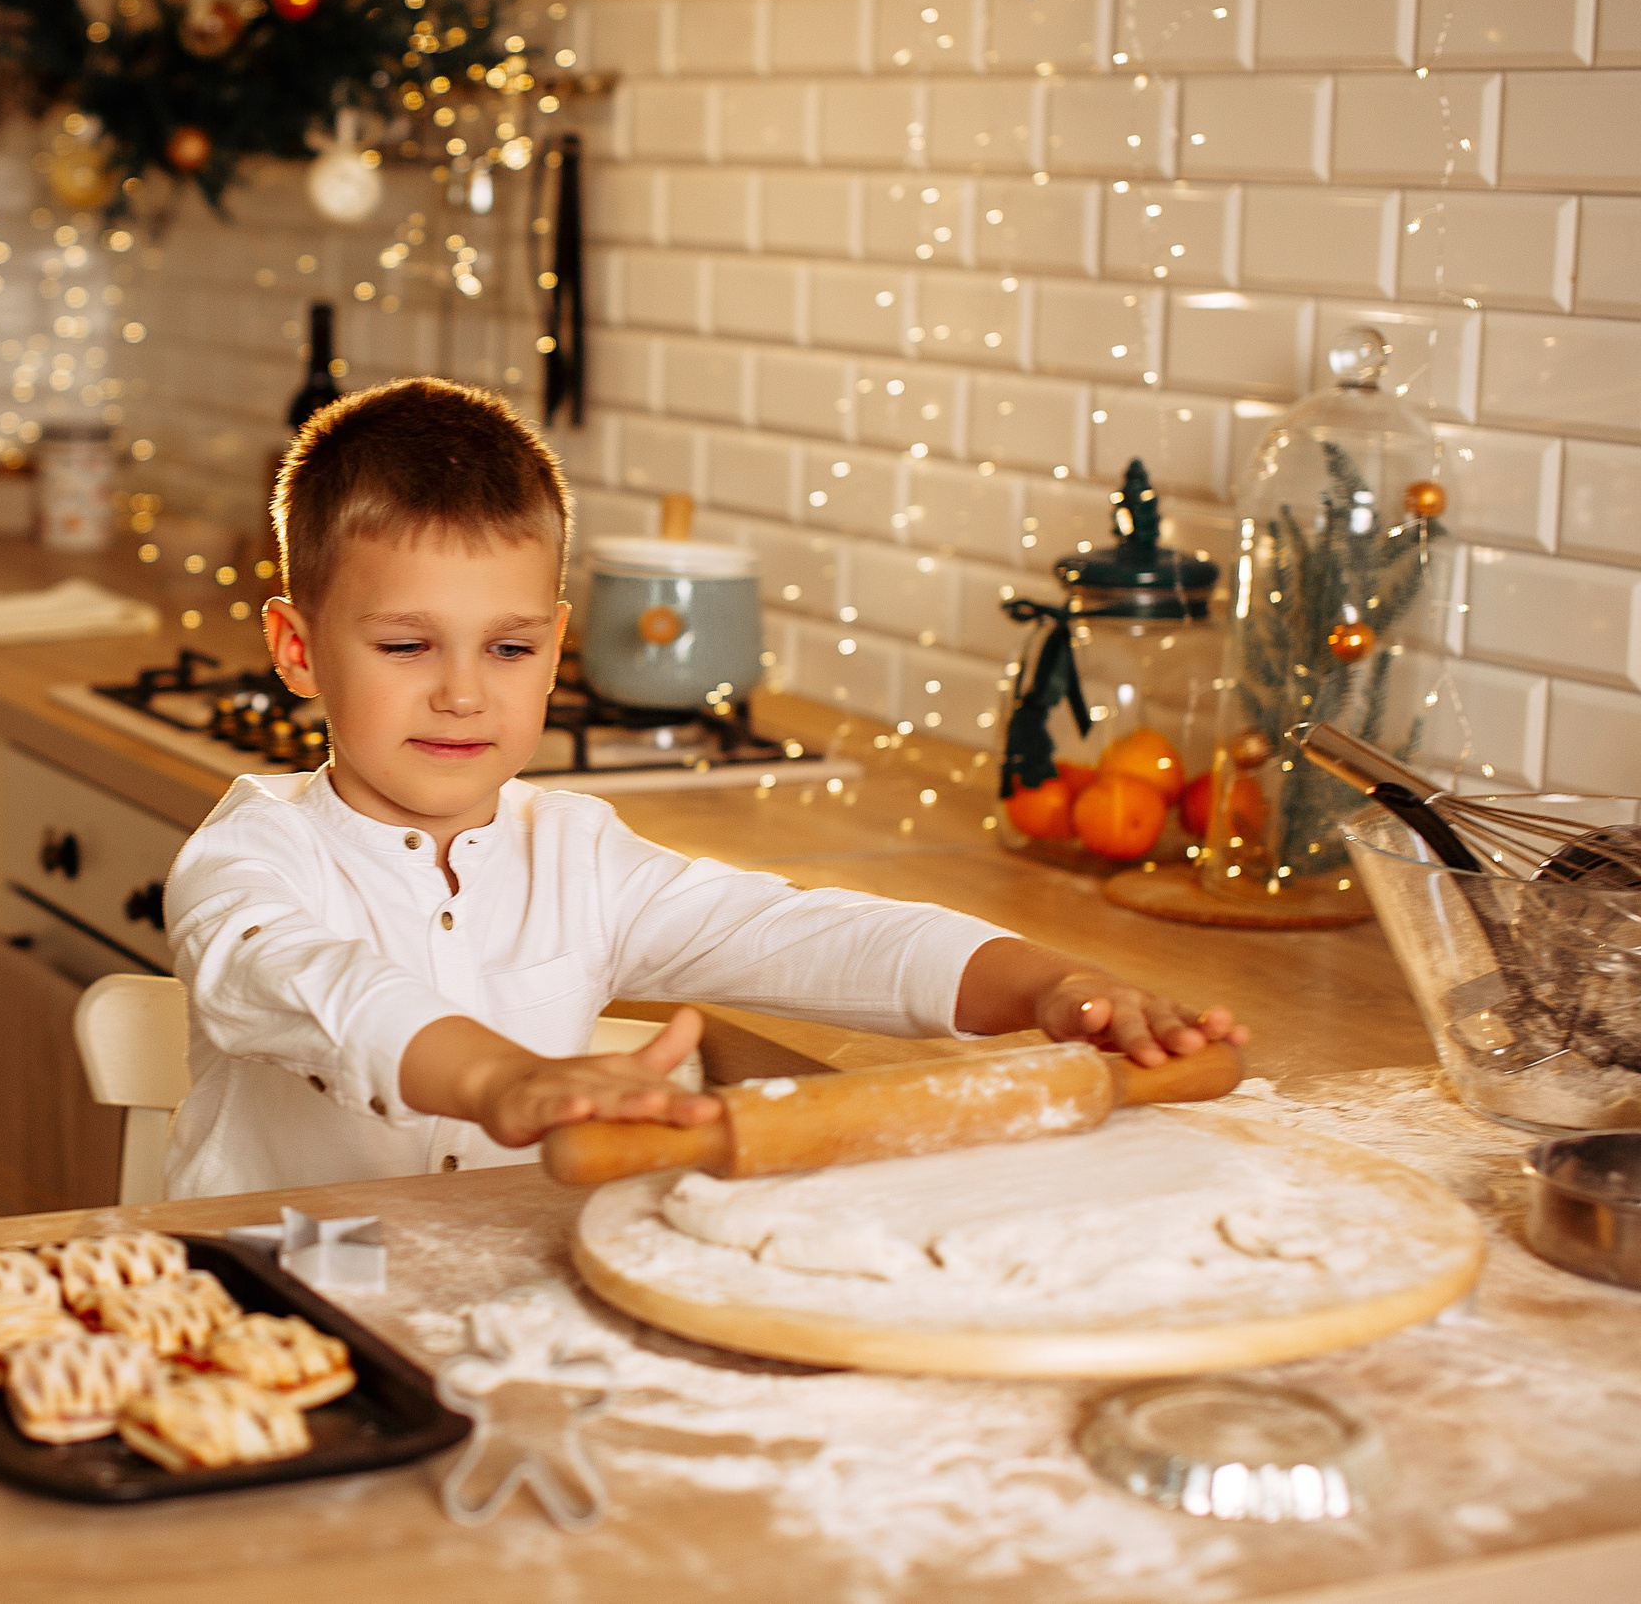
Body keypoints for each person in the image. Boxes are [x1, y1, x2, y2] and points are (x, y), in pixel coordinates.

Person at [161, 377, 1250, 1200]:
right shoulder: (249, 861)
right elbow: (328, 987)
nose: (460, 695)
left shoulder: (580, 856)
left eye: (506, 648)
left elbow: (811, 936)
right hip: (274, 1310)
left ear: (556, 654)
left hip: (492, 1305)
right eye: (405, 645)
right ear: (297, 650)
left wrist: (1055, 992)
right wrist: (499, 1081)